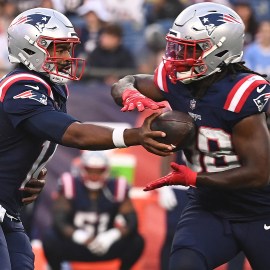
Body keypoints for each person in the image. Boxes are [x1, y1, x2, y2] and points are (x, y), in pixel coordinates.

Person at [0, 7, 173, 270]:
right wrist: (135, 135)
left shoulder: (52, 87)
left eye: (68, 48)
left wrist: (25, 176)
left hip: (9, 210)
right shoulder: (21, 86)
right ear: (31, 48)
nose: (68, 56)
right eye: (59, 48)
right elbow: (75, 134)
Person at [111, 2, 270, 270]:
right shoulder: (176, 80)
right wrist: (128, 92)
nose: (175, 57)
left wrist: (194, 178)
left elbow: (259, 172)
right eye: (175, 46)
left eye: (188, 49)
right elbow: (127, 81)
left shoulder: (241, 93)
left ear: (219, 51)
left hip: (260, 208)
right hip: (209, 207)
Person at [42, 150, 144, 270]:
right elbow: (59, 220)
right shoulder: (70, 185)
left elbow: (132, 222)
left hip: (105, 244)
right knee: (50, 238)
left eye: (99, 171)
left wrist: (112, 236)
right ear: (82, 169)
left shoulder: (116, 187)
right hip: (76, 244)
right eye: (89, 170)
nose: (94, 176)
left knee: (136, 241)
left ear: (107, 170)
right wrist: (78, 236)